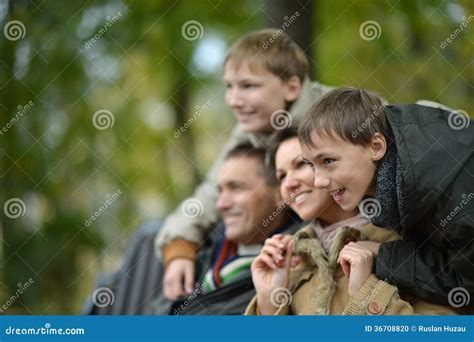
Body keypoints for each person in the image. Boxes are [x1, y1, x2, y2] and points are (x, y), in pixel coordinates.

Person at [155, 29, 332, 300]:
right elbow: (212, 192)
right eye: (229, 86)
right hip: (293, 238)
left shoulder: (337, 115)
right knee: (148, 236)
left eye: (249, 86)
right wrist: (179, 246)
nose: (234, 101)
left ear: (292, 87)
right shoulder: (251, 131)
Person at [246, 127, 465, 315]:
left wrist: (366, 294)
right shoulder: (291, 260)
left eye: (302, 165)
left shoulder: (402, 239)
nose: (289, 184)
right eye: (281, 175)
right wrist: (269, 301)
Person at [297, 86, 474, 306]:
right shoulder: (397, 173)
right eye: (311, 165)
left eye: (328, 161)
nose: (318, 181)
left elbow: (467, 285)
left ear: (376, 146)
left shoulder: (454, 196)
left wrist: (385, 256)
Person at [153, 143, 301, 315]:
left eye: (236, 188)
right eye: (220, 191)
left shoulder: (294, 264)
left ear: (279, 194)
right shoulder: (198, 248)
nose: (221, 204)